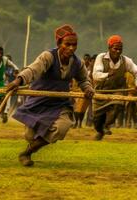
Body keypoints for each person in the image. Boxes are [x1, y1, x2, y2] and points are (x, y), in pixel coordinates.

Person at [6, 24, 94, 166]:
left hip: (60, 104)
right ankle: (32, 146)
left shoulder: (78, 63)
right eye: (68, 44)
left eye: (74, 45)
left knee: (62, 127)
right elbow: (33, 69)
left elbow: (84, 80)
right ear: (59, 44)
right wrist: (19, 80)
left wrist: (88, 89)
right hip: (38, 100)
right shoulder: (48, 56)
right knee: (30, 135)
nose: (71, 48)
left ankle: (26, 153)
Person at [92, 35, 137, 140]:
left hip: (117, 91)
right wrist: (107, 74)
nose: (118, 51)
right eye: (115, 48)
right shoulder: (101, 58)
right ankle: (100, 131)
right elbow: (95, 75)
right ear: (109, 48)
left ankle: (107, 125)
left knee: (118, 104)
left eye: (120, 49)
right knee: (96, 120)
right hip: (100, 92)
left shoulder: (126, 61)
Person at [72, 54, 91, 128]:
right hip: (75, 91)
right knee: (76, 108)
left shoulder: (90, 70)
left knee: (82, 109)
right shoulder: (77, 68)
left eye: (87, 60)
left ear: (89, 61)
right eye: (85, 59)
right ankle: (76, 122)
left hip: (85, 92)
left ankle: (79, 123)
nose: (86, 61)